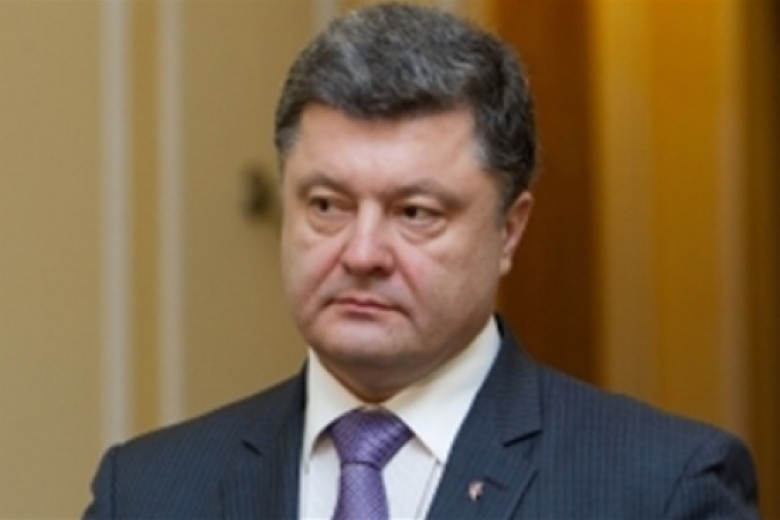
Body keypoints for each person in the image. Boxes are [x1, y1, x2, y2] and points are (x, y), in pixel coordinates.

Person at [83, 3, 758, 519]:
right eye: (327, 205)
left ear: (509, 231)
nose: (362, 253)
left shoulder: (661, 488)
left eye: (415, 213)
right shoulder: (145, 491)